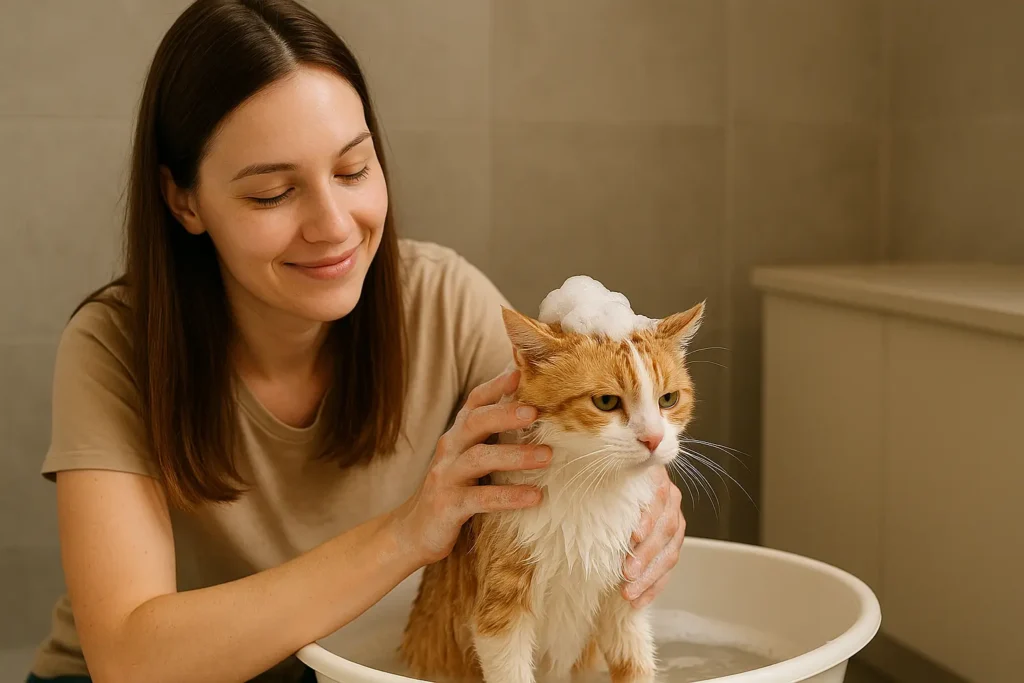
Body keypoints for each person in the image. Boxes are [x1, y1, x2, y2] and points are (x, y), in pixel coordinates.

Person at [27, 1, 686, 681]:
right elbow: (132, 660)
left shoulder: (443, 302)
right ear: (184, 200)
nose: (334, 225)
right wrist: (407, 532)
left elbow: (576, 438)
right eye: (273, 194)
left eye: (352, 171)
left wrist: (649, 496)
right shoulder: (113, 347)